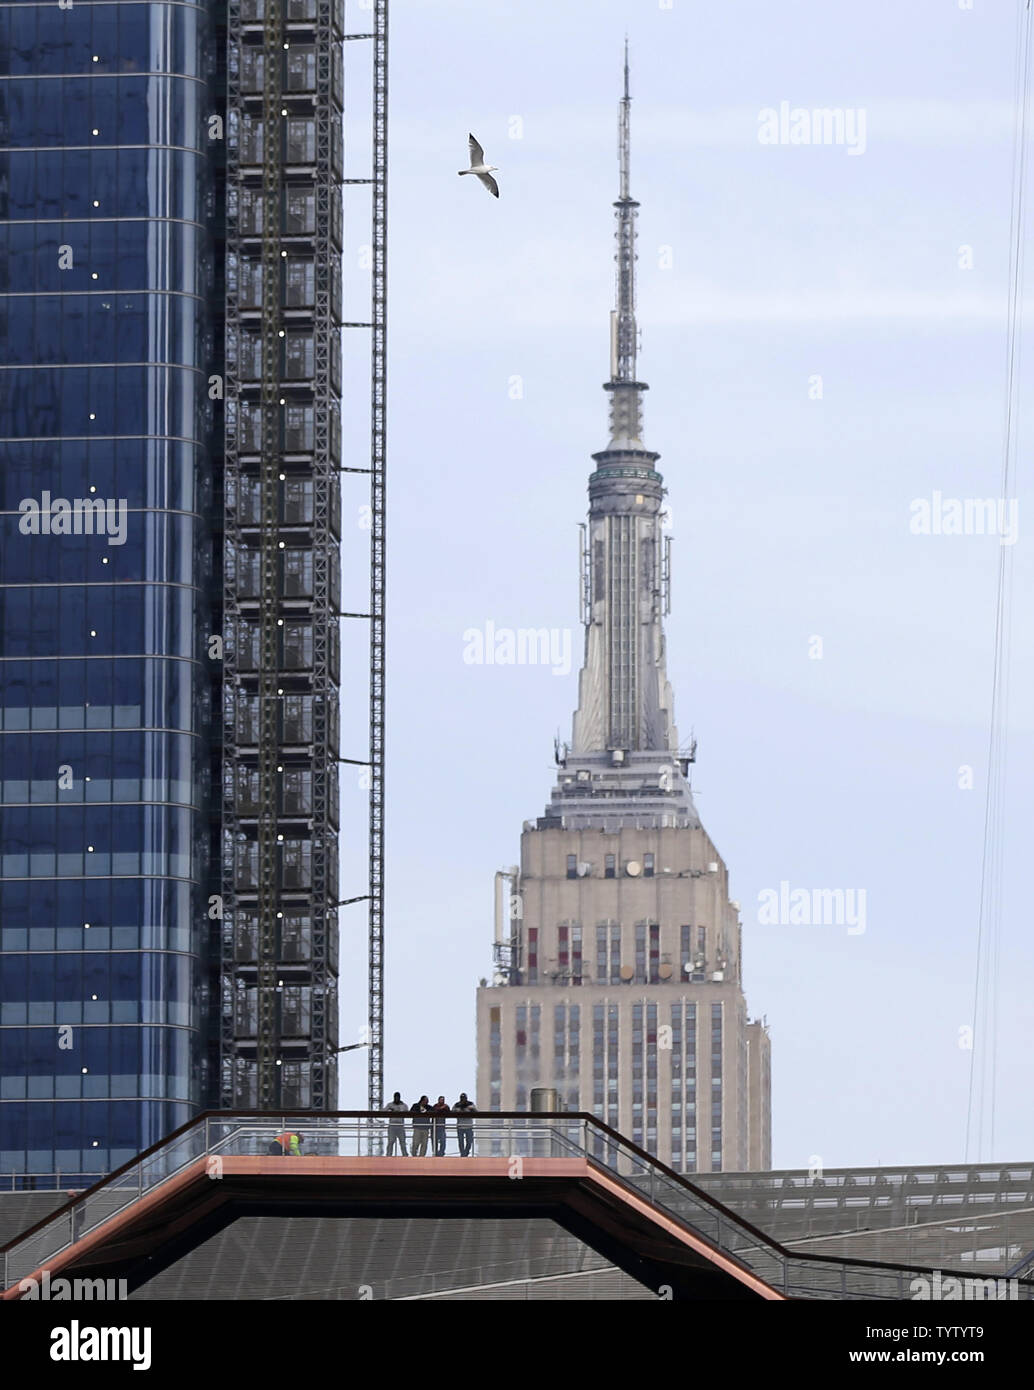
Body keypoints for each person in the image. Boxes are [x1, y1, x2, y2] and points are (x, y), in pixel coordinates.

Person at [384, 1091, 408, 1156]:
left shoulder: (404, 1105)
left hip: (400, 1125)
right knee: (391, 1141)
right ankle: (388, 1155)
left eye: (398, 1097)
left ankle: (405, 1155)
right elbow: (383, 1111)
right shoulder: (390, 1105)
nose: (396, 1098)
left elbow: (407, 1112)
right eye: (395, 1097)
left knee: (402, 1142)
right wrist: (390, 1110)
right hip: (392, 1125)